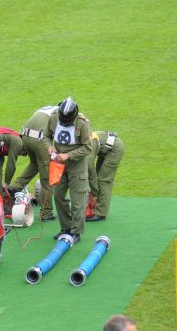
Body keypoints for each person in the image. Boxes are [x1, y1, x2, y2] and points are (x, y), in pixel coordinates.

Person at [44, 97, 92, 244]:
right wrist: (49, 146)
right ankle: (65, 228)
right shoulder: (53, 117)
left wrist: (68, 155)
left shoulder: (82, 124)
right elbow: (46, 136)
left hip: (76, 165)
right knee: (58, 195)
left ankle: (76, 232)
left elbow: (87, 147)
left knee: (77, 200)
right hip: (59, 164)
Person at [8, 106, 56, 222]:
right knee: (47, 178)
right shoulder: (62, 113)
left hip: (25, 136)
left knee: (35, 164)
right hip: (39, 140)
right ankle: (46, 213)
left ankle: (16, 186)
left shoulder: (47, 109)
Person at [85, 131, 125, 222]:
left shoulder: (87, 147)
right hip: (105, 149)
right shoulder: (81, 142)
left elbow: (91, 175)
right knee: (98, 178)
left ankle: (100, 213)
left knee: (103, 180)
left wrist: (94, 191)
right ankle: (94, 207)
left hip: (115, 150)